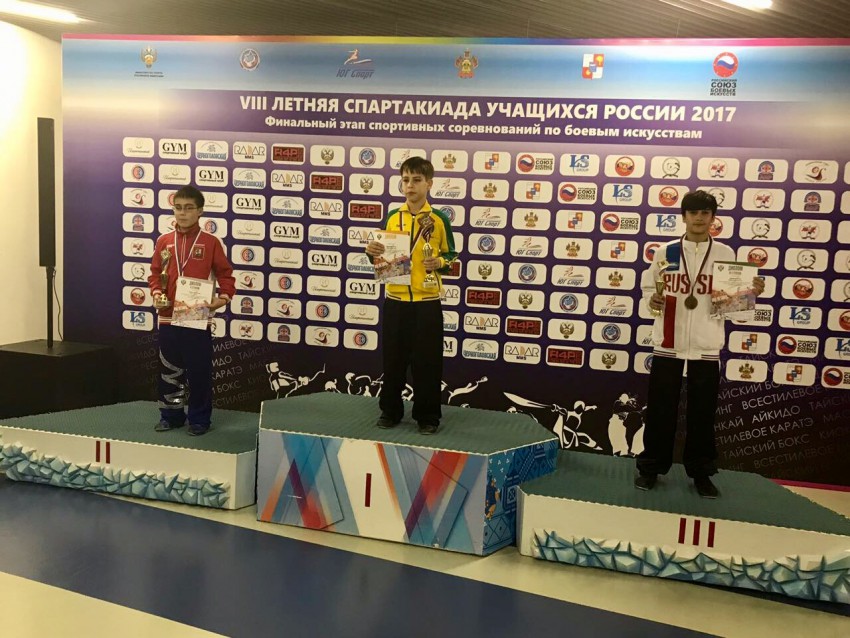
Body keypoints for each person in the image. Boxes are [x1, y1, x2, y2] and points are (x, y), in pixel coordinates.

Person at [635, 190, 764, 498]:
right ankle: (650, 468)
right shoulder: (666, 252)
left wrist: (749, 293)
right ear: (683, 216)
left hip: (706, 345)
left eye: (705, 212)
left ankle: (701, 473)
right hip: (668, 343)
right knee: (660, 411)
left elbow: (733, 309)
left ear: (713, 218)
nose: (699, 218)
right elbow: (649, 291)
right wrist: (652, 301)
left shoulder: (724, 253)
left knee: (702, 414)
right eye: (693, 212)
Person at [365, 157, 458, 434]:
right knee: (393, 360)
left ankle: (428, 416)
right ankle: (390, 411)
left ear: (429, 184)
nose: (410, 185)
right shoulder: (393, 217)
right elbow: (383, 258)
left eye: (417, 180)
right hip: (396, 301)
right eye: (406, 180)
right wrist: (371, 253)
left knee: (428, 362)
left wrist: (439, 262)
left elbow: (451, 255)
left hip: (427, 302)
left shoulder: (439, 219)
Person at [148, 186, 235, 436]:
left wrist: (223, 298)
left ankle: (199, 419)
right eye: (178, 208)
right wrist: (156, 293)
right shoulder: (164, 241)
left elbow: (226, 275)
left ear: (200, 211)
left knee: (198, 371)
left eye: (188, 208)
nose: (182, 213)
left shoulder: (211, 242)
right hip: (167, 315)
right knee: (170, 370)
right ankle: (172, 415)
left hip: (196, 316)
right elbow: (155, 273)